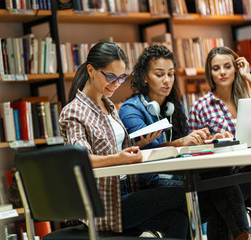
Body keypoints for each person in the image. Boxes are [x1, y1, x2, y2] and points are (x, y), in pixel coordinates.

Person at [119, 44, 251, 240]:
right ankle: (245, 235)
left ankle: (244, 235)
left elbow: (185, 140)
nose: (167, 80)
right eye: (159, 74)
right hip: (149, 183)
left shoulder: (173, 106)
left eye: (171, 74)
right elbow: (144, 152)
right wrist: (181, 142)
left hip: (176, 175)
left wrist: (205, 139)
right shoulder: (131, 110)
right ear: (145, 77)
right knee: (218, 188)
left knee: (219, 179)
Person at [58, 42, 189, 238]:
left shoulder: (109, 106)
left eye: (121, 78)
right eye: (110, 77)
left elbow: (111, 149)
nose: (116, 84)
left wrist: (136, 145)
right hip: (107, 204)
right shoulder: (74, 111)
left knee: (177, 219)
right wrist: (120, 158)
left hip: (127, 190)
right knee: (185, 195)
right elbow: (81, 160)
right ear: (91, 70)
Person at [188, 46, 251, 240]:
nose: (222, 72)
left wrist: (248, 76)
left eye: (228, 66)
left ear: (236, 68)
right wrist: (212, 140)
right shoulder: (200, 107)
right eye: (216, 68)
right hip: (224, 183)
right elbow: (192, 149)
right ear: (210, 72)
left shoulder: (248, 98)